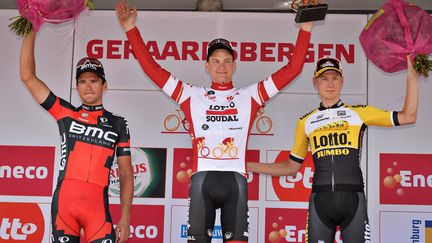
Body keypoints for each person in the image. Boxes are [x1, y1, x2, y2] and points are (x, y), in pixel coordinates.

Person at [116, 1, 313, 242]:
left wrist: (306, 28)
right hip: (202, 183)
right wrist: (130, 28)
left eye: (227, 61)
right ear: (206, 66)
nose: (222, 66)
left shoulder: (249, 96)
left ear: (235, 66)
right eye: (216, 61)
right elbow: (150, 67)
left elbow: (293, 69)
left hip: (236, 183)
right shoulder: (191, 95)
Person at [248, 56, 418, 243]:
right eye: (324, 79)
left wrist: (412, 74)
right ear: (315, 83)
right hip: (320, 203)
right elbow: (291, 167)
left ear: (342, 81)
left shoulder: (358, 113)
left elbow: (408, 116)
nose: (330, 84)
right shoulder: (306, 121)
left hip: (353, 201)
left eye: (335, 78)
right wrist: (248, 165)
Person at [19, 31, 134, 243]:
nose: (88, 86)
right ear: (77, 86)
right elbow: (28, 76)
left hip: (97, 208)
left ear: (104, 85)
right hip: (65, 205)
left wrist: (126, 218)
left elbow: (126, 174)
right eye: (82, 81)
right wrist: (30, 30)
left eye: (93, 80)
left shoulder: (118, 123)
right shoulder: (65, 113)